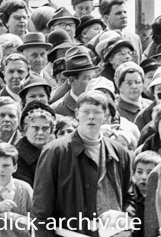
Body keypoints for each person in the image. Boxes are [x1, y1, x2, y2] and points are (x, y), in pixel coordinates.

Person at [33, 91, 132, 237]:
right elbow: (41, 211)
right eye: (86, 111)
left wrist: (126, 225)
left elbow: (129, 198)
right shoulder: (55, 152)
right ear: (77, 113)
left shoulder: (119, 152)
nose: (91, 116)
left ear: (105, 115)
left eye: (97, 112)